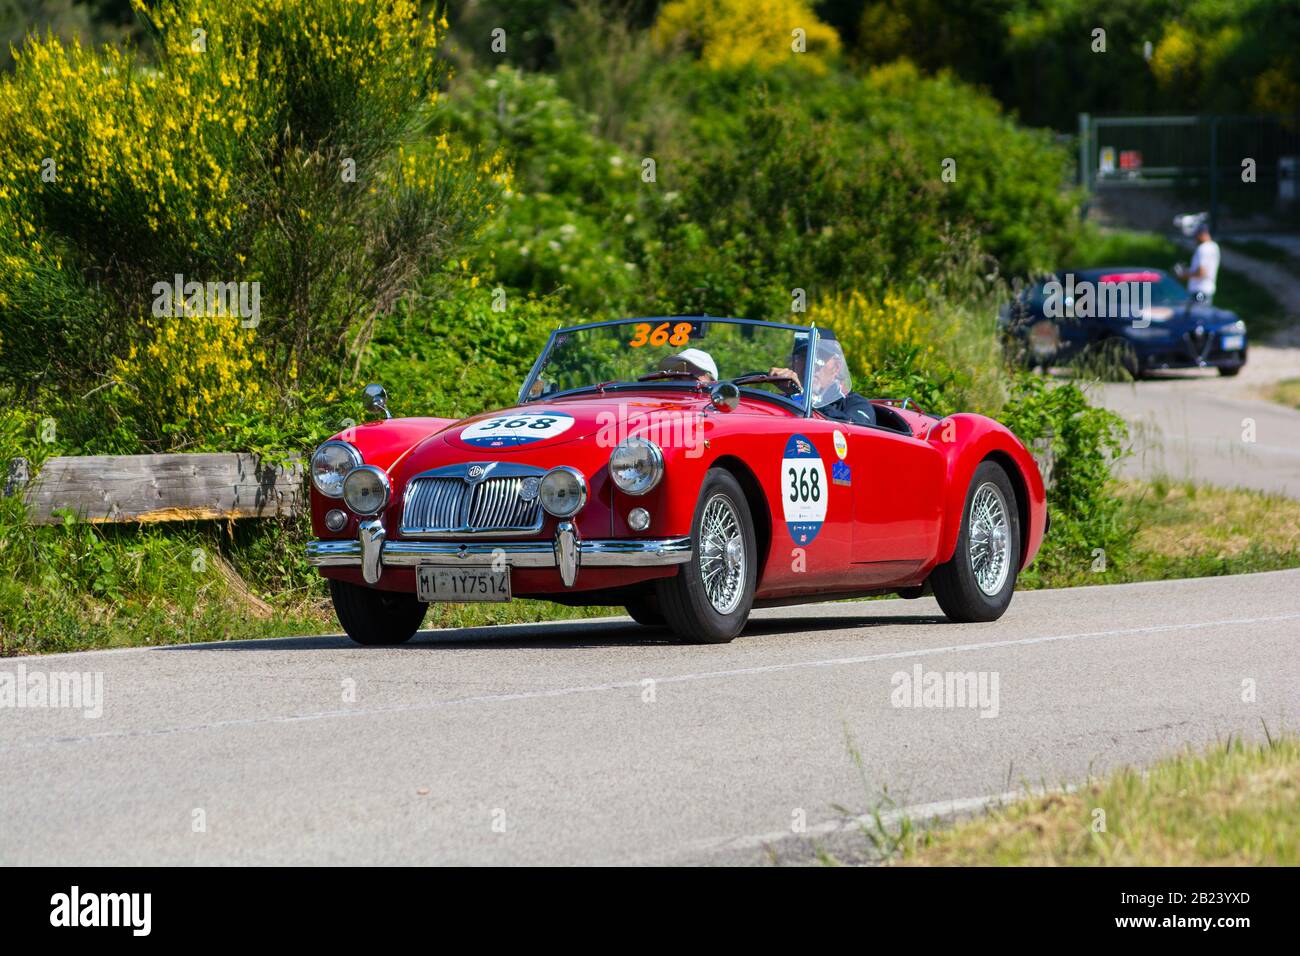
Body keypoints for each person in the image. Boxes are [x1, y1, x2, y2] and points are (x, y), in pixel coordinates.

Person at [769, 332, 876, 426]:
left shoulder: (856, 404)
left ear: (836, 367)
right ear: (793, 364)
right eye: (804, 356)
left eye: (821, 357)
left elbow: (853, 430)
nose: (811, 364)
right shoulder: (779, 402)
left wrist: (800, 396)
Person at [1175, 221, 1220, 304]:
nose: (1195, 238)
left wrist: (1184, 275)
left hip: (1199, 291)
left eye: (1196, 235)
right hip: (1206, 290)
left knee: (1197, 315)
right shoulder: (1214, 246)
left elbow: (1201, 273)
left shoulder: (1203, 248)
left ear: (1202, 233)